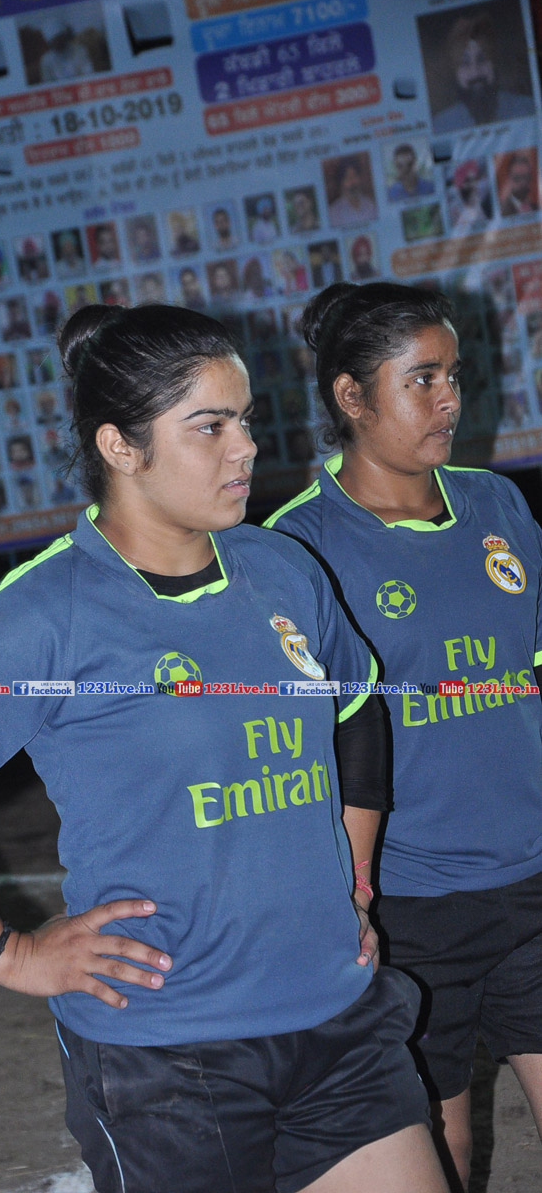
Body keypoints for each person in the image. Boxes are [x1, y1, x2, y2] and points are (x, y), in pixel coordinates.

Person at [0, 302, 450, 1193]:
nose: (245, 448)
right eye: (209, 427)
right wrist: (13, 956)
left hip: (338, 1021)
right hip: (169, 1060)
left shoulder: (281, 570)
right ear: (119, 446)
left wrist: (352, 881)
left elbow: (356, 711)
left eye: (245, 421)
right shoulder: (43, 614)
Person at [266, 281, 542, 1191]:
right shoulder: (295, 548)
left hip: (532, 879)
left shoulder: (495, 506)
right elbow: (294, 738)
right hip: (408, 906)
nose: (448, 399)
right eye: (420, 379)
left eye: (452, 375)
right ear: (351, 396)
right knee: (442, 1155)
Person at [432, 10, 535, 132]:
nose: (475, 72)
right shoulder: (440, 126)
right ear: (454, 71)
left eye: (482, 59)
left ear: (494, 62)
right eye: (465, 63)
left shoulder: (529, 109)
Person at [499, 152, 539, 217]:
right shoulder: (501, 211)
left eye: (526, 177)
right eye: (517, 178)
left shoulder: (537, 208)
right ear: (509, 179)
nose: (522, 182)